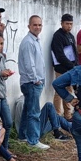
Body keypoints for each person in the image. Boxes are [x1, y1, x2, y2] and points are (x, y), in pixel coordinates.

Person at [18, 15, 49, 149]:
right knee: (34, 112)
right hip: (31, 82)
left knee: (27, 110)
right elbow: (29, 63)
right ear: (29, 26)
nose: (37, 27)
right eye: (35, 25)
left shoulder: (35, 40)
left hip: (33, 82)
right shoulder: (28, 42)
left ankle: (23, 136)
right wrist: (35, 79)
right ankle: (33, 140)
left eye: (39, 25)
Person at [51, 14, 78, 120]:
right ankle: (57, 115)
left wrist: (75, 66)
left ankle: (68, 114)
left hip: (71, 69)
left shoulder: (70, 36)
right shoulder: (57, 36)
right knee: (58, 92)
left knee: (69, 91)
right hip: (61, 69)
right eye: (67, 24)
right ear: (62, 23)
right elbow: (59, 55)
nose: (69, 26)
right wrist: (72, 66)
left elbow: (75, 53)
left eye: (71, 24)